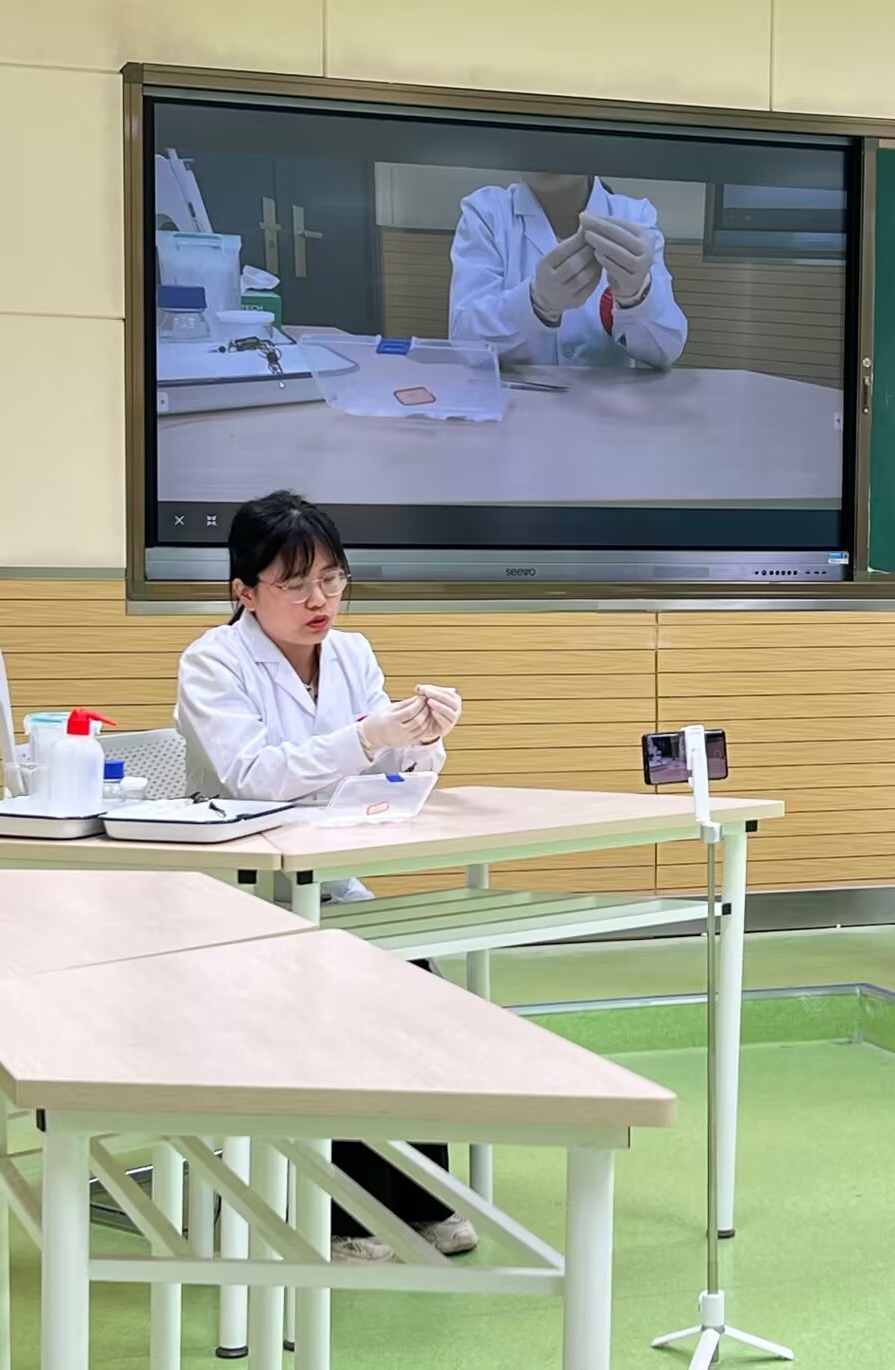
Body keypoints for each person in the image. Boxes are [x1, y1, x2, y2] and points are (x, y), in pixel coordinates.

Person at [174, 490, 472, 1264]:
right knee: (336, 997)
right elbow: (253, 774)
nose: (320, 601)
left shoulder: (351, 653)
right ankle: (342, 1217)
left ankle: (423, 1202)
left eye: (332, 580)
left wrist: (421, 738)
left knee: (413, 981)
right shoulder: (213, 661)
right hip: (237, 891)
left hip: (328, 881)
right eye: (296, 583)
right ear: (245, 590)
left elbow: (384, 771)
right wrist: (367, 735)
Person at [448, 171, 687, 369]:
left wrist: (637, 297)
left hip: (609, 409)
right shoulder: (486, 213)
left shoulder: (633, 215)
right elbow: (466, 344)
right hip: (515, 407)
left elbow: (666, 349)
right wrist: (536, 303)